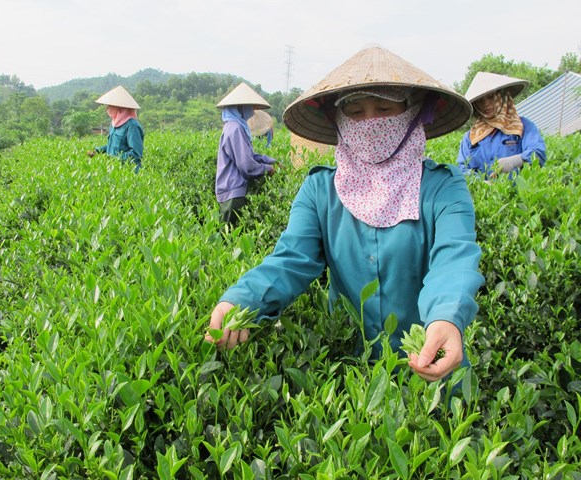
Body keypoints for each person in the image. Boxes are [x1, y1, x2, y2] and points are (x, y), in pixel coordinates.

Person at [205, 45, 484, 382]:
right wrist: (241, 299)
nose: (370, 123)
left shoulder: (443, 187)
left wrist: (445, 316)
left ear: (412, 113)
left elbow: (454, 259)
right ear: (337, 119)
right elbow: (291, 259)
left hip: (433, 363)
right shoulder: (320, 190)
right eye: (354, 111)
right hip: (350, 373)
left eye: (384, 108)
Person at [457, 72, 546, 178]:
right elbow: (462, 169)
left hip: (518, 193)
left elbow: (538, 153)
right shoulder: (470, 137)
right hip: (482, 194)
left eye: (491, 97)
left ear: (502, 96)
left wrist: (516, 160)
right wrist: (481, 182)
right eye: (480, 101)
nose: (486, 104)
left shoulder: (523, 126)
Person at [215, 82, 278, 226]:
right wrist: (267, 169)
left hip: (231, 192)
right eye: (249, 106)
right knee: (230, 240)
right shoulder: (235, 128)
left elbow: (249, 155)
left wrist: (270, 161)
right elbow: (246, 165)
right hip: (233, 193)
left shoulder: (234, 127)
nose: (252, 110)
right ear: (240, 107)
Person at [88, 85, 145, 173]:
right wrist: (97, 150)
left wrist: (115, 159)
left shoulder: (132, 126)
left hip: (128, 172)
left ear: (119, 108)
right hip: (114, 170)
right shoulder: (114, 124)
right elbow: (113, 147)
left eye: (109, 106)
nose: (107, 109)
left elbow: (136, 153)